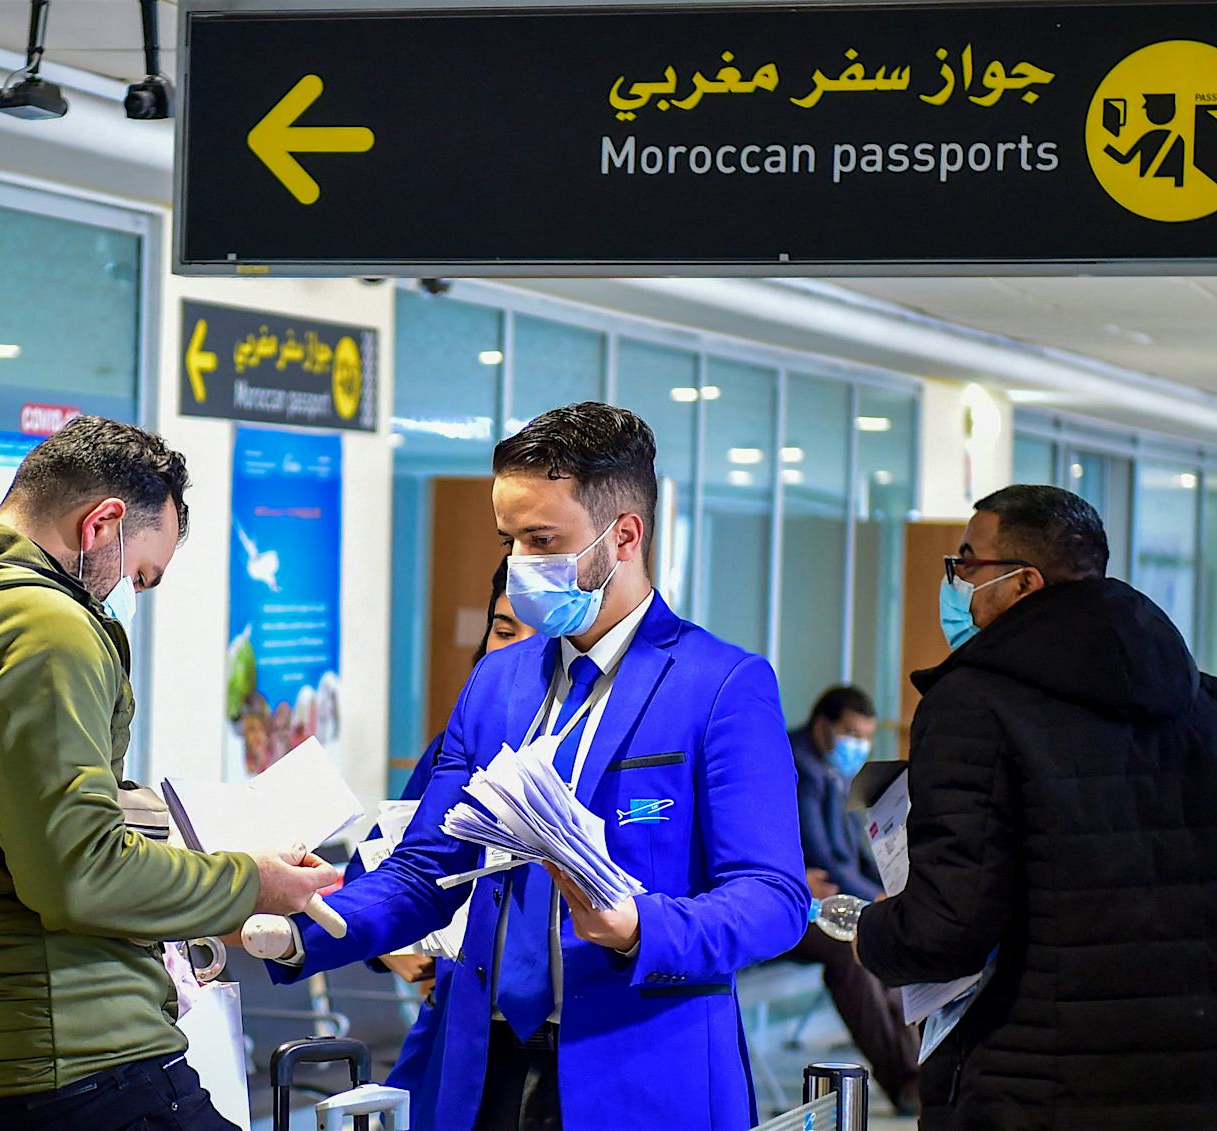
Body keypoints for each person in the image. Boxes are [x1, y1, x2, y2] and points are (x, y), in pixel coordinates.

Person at [260, 402, 808, 1131]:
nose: (520, 563)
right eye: (510, 540)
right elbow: (425, 870)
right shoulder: (499, 683)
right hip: (484, 1066)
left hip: (639, 1072)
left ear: (625, 535)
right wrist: (299, 923)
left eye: (543, 539)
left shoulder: (720, 685)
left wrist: (643, 923)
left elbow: (773, 897)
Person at [0, 416, 338, 1131]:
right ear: (102, 522)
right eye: (141, 575)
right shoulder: (44, 626)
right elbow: (79, 874)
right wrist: (250, 883)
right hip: (75, 1066)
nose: (129, 596)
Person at [852, 485, 1217, 1131]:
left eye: (967, 563)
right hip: (1212, 1093)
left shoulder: (973, 705)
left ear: (1022, 582)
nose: (955, 581)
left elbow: (951, 924)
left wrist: (874, 933)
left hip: (1038, 1094)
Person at [345, 557, 537, 1124]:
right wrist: (398, 949)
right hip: (459, 1018)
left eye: (534, 637)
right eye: (502, 631)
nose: (510, 652)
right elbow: (385, 866)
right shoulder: (454, 750)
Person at [784, 685, 920, 1113]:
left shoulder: (832, 769)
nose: (857, 746)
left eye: (865, 736)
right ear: (823, 726)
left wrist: (892, 890)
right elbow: (823, 858)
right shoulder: (798, 767)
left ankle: (919, 1071)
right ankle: (906, 1082)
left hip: (830, 899)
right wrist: (875, 896)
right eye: (850, 733)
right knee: (856, 950)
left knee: (890, 937)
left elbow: (853, 851)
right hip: (798, 909)